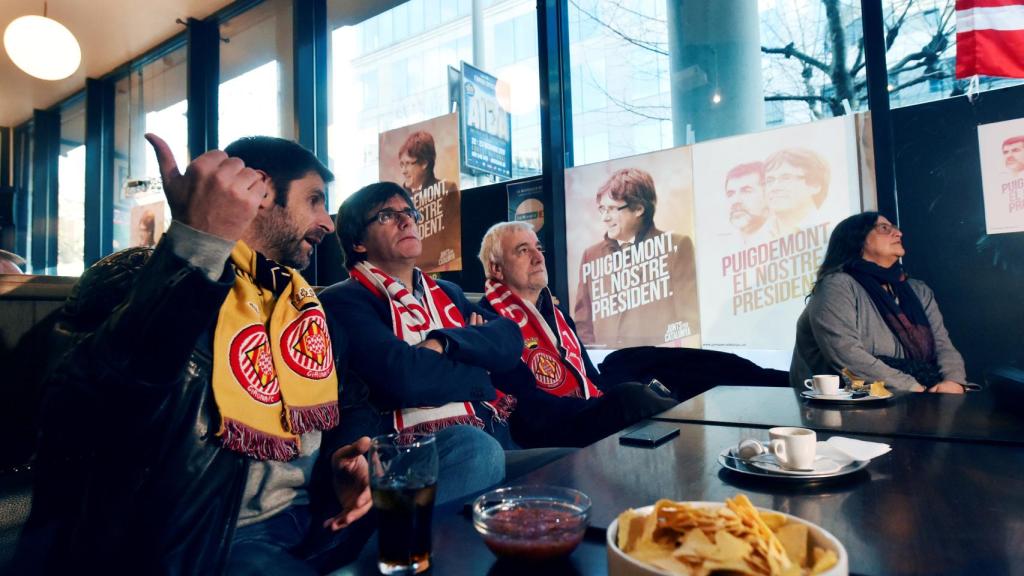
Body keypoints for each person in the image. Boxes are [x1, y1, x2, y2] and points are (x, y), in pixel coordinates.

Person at [12, 135, 498, 575]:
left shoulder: (305, 305)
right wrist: (195, 247)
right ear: (263, 191)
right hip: (219, 537)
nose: (327, 222)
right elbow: (82, 409)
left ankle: (371, 558)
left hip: (317, 516)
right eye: (314, 201)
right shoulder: (146, 276)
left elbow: (347, 403)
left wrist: (347, 458)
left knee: (472, 450)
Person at [320, 181, 522, 448]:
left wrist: (442, 342)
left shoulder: (447, 293)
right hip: (409, 452)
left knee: (563, 467)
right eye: (387, 216)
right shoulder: (343, 300)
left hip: (493, 434)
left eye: (410, 213)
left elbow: (510, 339)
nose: (406, 222)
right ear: (358, 242)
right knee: (476, 447)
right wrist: (477, 364)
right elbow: (404, 378)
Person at [479, 222, 677, 448]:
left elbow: (591, 378)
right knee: (629, 397)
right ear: (496, 268)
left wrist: (604, 402)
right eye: (523, 250)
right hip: (545, 426)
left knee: (657, 370)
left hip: (580, 411)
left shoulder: (558, 315)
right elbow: (526, 405)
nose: (538, 257)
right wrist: (603, 406)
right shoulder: (488, 321)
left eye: (538, 248)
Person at [790, 211, 967, 394]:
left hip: (912, 397)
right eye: (884, 228)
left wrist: (954, 382)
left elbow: (943, 346)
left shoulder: (918, 290)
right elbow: (846, 354)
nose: (898, 233)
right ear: (857, 240)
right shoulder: (837, 285)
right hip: (846, 407)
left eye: (895, 229)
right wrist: (910, 386)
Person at [572, 167, 699, 347]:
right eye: (602, 209)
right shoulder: (590, 255)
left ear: (639, 208)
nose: (605, 218)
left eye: (613, 209)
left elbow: (689, 321)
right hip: (607, 366)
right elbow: (582, 324)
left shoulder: (677, 246)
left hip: (657, 365)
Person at [397, 131, 461, 270]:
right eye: (401, 164)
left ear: (424, 163)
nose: (403, 170)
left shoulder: (448, 189)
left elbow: (453, 241)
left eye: (408, 164)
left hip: (439, 269)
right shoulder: (397, 198)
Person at [763, 148, 830, 238]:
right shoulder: (756, 238)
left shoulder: (831, 231)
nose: (774, 188)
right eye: (769, 180)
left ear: (815, 185)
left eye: (786, 178)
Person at [724, 162, 770, 245]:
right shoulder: (720, 247)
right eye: (730, 194)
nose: (735, 201)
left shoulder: (786, 236)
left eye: (746, 191)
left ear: (767, 195)